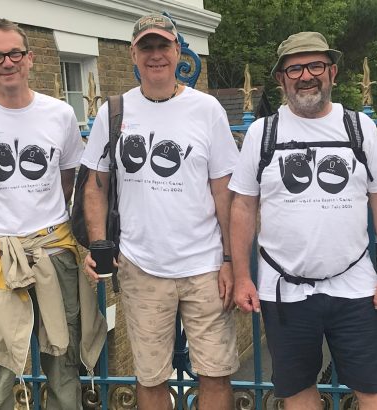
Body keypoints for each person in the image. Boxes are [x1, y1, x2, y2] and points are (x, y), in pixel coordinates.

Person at [229, 31, 377, 409]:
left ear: (332, 72)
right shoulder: (262, 132)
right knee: (297, 393)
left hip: (356, 288)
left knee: (374, 392)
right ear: (281, 79)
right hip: (284, 290)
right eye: (294, 68)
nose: (305, 75)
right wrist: (243, 276)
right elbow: (242, 206)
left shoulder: (359, 127)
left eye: (315, 65)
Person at [80, 12, 238, 410]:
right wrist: (99, 245)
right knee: (151, 377)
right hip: (141, 264)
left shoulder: (207, 109)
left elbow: (224, 191)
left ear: (177, 51)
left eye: (163, 46)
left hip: (204, 265)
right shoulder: (114, 111)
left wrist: (231, 259)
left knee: (216, 373)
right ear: (133, 54)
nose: (155, 55)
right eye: (146, 47)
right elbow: (95, 184)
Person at [0, 19, 106, 409]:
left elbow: (68, 182)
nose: (7, 62)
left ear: (30, 59)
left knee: (63, 362)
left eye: (15, 53)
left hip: (53, 252)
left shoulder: (60, 115)